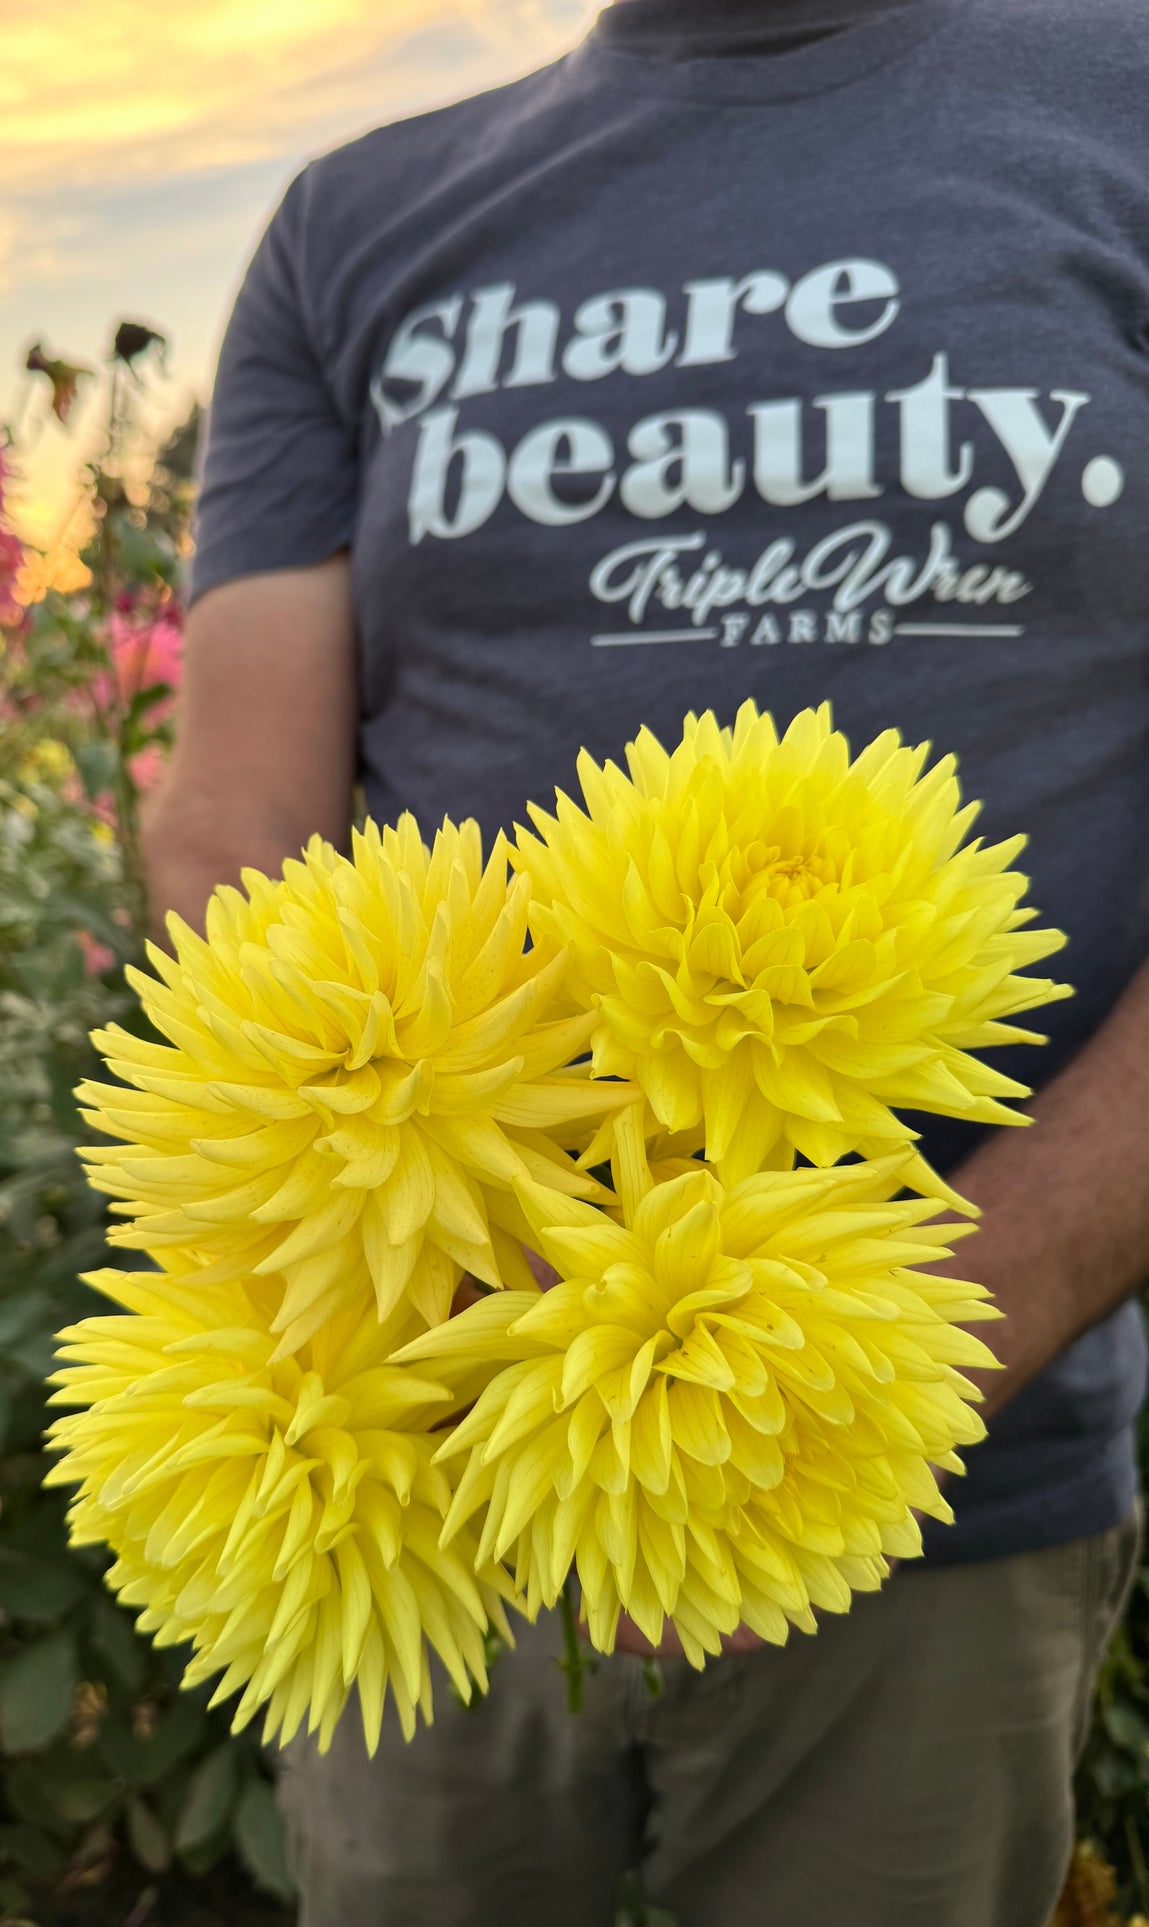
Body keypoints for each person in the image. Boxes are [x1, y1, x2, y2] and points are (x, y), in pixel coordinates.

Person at [143, 0, 1149, 1920]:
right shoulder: (357, 221)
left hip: (920, 1485)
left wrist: (936, 1323)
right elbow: (228, 822)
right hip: (402, 1459)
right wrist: (417, 1255)